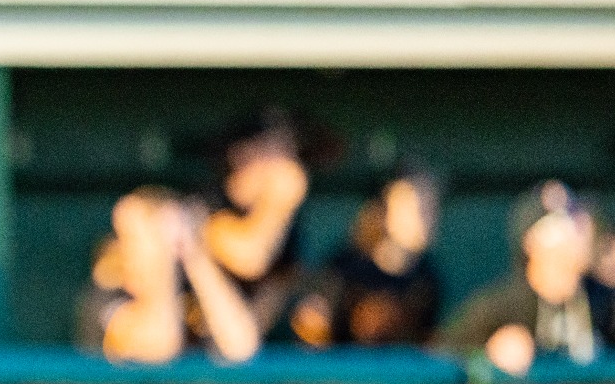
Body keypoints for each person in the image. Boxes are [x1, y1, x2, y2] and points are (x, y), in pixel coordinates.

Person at [436, 180, 612, 375]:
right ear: (532, 240)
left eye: (577, 213)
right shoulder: (497, 309)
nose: (579, 226)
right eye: (562, 219)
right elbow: (437, 354)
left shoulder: (604, 303)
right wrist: (487, 353)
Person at [78, 186, 261, 363]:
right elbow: (159, 348)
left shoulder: (192, 287)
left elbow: (241, 350)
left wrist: (194, 254)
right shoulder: (108, 292)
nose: (124, 248)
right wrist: (165, 263)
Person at [290, 168, 444, 348]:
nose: (424, 217)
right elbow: (310, 333)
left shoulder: (427, 279)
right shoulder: (343, 270)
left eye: (430, 206)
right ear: (382, 209)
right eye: (413, 207)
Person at [202, 114, 311, 336]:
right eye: (274, 153)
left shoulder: (285, 223)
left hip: (239, 340)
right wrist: (279, 199)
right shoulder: (211, 206)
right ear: (239, 154)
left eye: (288, 153)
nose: (286, 166)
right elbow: (252, 258)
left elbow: (275, 295)